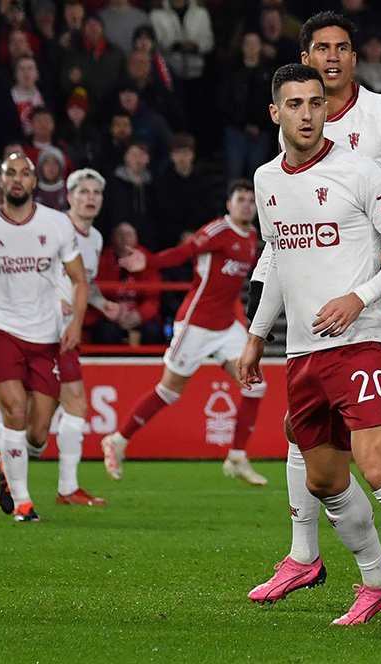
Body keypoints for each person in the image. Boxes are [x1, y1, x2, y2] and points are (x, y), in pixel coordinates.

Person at [244, 11, 381, 612]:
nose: (308, 108)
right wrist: (258, 329)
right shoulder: (272, 171)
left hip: (371, 310)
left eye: (342, 48)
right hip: (306, 333)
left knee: (379, 458)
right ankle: (356, 570)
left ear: (353, 59)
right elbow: (281, 249)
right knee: (318, 462)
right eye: (321, 50)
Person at [0, 168, 118, 507]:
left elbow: (81, 282)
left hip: (60, 331)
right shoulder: (53, 226)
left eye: (96, 193)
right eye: (82, 192)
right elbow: (41, 275)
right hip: (41, 329)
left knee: (37, 431)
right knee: (70, 407)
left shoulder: (95, 238)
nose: (90, 198)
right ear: (67, 197)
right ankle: (62, 487)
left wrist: (99, 304)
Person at [100, 180, 267, 487]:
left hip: (226, 326)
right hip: (196, 324)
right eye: (240, 199)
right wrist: (148, 262)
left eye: (251, 200)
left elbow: (230, 289)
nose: (246, 205)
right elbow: (183, 252)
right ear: (229, 204)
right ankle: (117, 441)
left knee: (255, 386)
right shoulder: (219, 231)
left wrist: (241, 325)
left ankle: (237, 457)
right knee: (169, 392)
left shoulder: (253, 237)